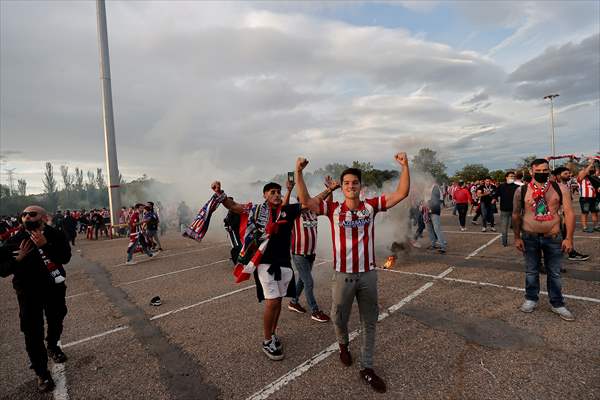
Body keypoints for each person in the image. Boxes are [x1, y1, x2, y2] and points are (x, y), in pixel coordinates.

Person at [295, 152, 410, 394]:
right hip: (342, 276)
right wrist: (298, 172)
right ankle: (343, 345)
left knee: (370, 322)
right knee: (339, 318)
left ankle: (367, 367)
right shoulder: (332, 208)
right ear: (342, 186)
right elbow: (305, 202)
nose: (350, 186)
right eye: (346, 183)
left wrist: (405, 166)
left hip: (368, 275)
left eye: (354, 182)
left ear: (360, 186)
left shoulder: (371, 206)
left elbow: (401, 194)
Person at [210, 180, 319, 361]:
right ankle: (267, 340)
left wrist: (330, 189)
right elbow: (233, 206)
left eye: (278, 191)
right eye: (272, 192)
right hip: (265, 263)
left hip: (284, 263)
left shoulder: (288, 210)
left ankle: (273, 333)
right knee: (272, 301)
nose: (276, 194)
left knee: (278, 303)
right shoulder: (257, 210)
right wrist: (220, 193)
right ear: (265, 195)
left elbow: (310, 203)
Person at [0, 206, 71, 392]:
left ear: (44, 217)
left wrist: (45, 245)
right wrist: (18, 259)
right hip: (28, 293)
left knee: (57, 318)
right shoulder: (15, 241)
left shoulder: (55, 234)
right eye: (24, 214)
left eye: (32, 214)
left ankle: (53, 345)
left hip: (54, 289)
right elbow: (2, 270)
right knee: (32, 331)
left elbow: (65, 257)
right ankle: (41, 372)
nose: (27, 217)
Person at [512, 159, 575, 321]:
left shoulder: (560, 188)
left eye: (545, 170)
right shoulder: (522, 190)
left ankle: (557, 303)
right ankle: (531, 299)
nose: (541, 173)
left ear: (549, 170)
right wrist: (516, 237)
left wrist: (569, 238)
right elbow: (516, 215)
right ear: (531, 171)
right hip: (529, 238)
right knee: (531, 271)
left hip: (553, 238)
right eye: (538, 170)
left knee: (554, 273)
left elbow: (569, 213)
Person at [286, 177, 336, 323]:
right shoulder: (295, 213)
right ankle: (315, 311)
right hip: (299, 254)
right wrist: (329, 189)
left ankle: (294, 302)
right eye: (304, 198)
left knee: (302, 280)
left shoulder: (313, 211)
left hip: (310, 253)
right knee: (309, 282)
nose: (307, 200)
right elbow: (285, 206)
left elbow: (329, 205)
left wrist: (330, 190)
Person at [552, 167, 589, 261]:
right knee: (559, 235)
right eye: (565, 173)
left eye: (569, 173)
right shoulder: (555, 186)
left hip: (566, 214)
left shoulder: (568, 184)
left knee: (567, 234)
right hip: (559, 216)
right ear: (558, 176)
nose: (569, 175)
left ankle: (570, 252)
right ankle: (568, 254)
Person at [495, 172, 519, 246]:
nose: (512, 177)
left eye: (513, 176)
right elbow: (496, 194)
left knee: (516, 227)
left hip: (515, 210)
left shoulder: (517, 187)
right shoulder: (501, 186)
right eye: (510, 176)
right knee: (504, 227)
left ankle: (517, 240)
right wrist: (494, 199)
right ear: (506, 177)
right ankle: (504, 242)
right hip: (504, 210)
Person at [577, 160, 598, 233]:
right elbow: (584, 172)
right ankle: (584, 227)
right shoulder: (581, 178)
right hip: (585, 198)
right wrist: (591, 164)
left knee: (595, 212)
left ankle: (596, 226)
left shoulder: (592, 178)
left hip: (593, 198)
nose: (591, 169)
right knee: (585, 212)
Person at [427, 182, 447, 253]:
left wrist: (429, 206)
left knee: (437, 228)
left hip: (434, 210)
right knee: (429, 228)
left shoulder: (435, 188)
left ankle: (443, 246)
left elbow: (438, 200)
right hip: (427, 211)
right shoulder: (427, 188)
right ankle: (433, 244)